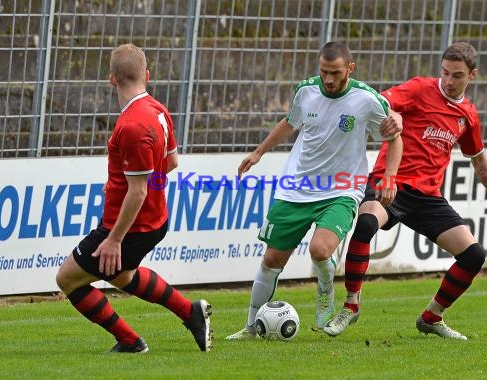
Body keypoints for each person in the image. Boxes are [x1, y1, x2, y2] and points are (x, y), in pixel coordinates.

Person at [324, 41, 487, 340]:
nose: (449, 81)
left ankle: (431, 317)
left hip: (427, 197)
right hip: (391, 182)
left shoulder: (468, 115)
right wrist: (394, 114)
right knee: (365, 223)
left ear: (472, 75)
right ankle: (351, 306)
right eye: (445, 73)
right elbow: (378, 101)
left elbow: (479, 161)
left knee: (474, 255)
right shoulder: (419, 89)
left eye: (457, 75)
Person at [226, 41, 403, 340]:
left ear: (350, 68)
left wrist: (390, 176)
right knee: (271, 260)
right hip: (297, 187)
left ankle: (325, 294)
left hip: (342, 188)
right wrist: (258, 153)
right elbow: (289, 123)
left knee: (320, 249)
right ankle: (250, 326)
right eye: (323, 72)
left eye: (335, 73)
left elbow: (395, 138)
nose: (329, 79)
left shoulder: (367, 99)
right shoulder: (306, 90)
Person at [55, 43, 212, 353]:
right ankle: (191, 313)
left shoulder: (131, 125)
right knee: (122, 275)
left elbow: (138, 190)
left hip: (130, 226)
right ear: (147, 75)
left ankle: (130, 341)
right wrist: (124, 184)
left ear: (112, 79)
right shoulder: (157, 110)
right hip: (154, 218)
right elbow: (170, 164)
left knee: (68, 279)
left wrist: (114, 239)